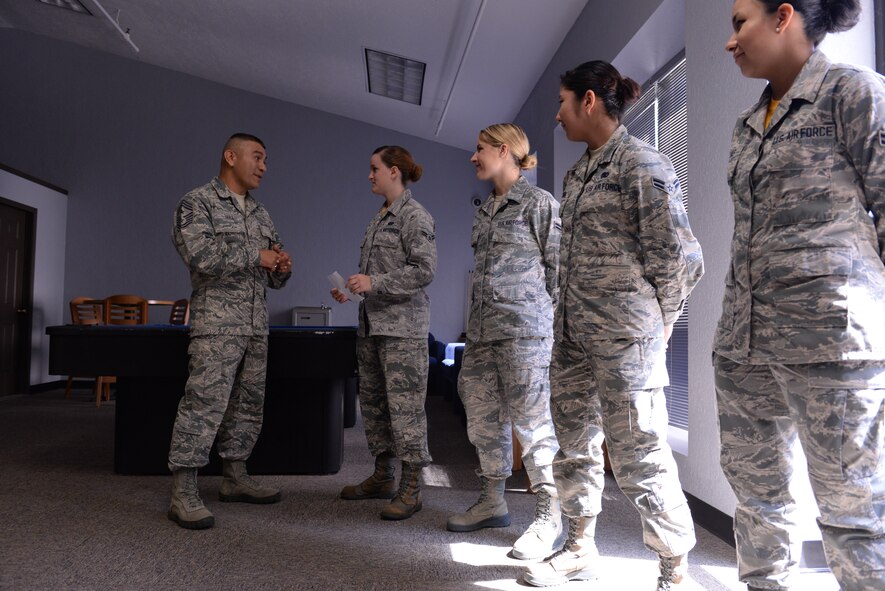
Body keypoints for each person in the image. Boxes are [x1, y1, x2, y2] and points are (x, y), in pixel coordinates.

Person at [717, 1, 885, 589]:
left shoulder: (853, 93)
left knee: (855, 516)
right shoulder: (746, 124)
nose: (730, 41)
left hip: (831, 344)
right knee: (757, 506)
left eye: (740, 22)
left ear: (783, 15)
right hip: (744, 345)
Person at [524, 61, 704, 590]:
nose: (556, 115)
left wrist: (662, 322)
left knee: (640, 453)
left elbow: (679, 258)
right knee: (574, 445)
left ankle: (675, 568)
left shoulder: (640, 162)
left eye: (561, 102)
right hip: (574, 337)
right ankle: (579, 546)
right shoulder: (578, 173)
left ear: (587, 101)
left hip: (627, 340)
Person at [445, 124, 562, 559]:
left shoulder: (539, 204)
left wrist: (552, 330)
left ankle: (550, 515)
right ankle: (492, 500)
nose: (473, 157)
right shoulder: (484, 210)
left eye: (478, 149)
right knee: (482, 421)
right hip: (481, 337)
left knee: (533, 427)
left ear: (504, 149)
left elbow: (559, 272)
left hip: (525, 336)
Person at [167, 133, 292, 530]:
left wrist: (281, 268)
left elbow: (273, 278)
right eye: (257, 157)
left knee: (246, 405)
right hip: (217, 325)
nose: (263, 166)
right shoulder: (197, 202)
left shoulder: (260, 214)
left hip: (255, 327)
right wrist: (257, 255)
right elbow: (200, 256)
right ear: (230, 156)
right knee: (203, 404)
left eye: (266, 160)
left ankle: (235, 477)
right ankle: (183, 491)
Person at [332, 145, 437, 521]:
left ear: (395, 171)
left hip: (403, 332)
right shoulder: (379, 218)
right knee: (375, 408)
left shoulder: (414, 216)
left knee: (406, 411)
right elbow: (378, 278)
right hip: (373, 328)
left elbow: (424, 270)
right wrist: (354, 289)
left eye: (374, 168)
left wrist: (374, 281)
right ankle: (383, 475)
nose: (370, 175)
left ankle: (412, 488)